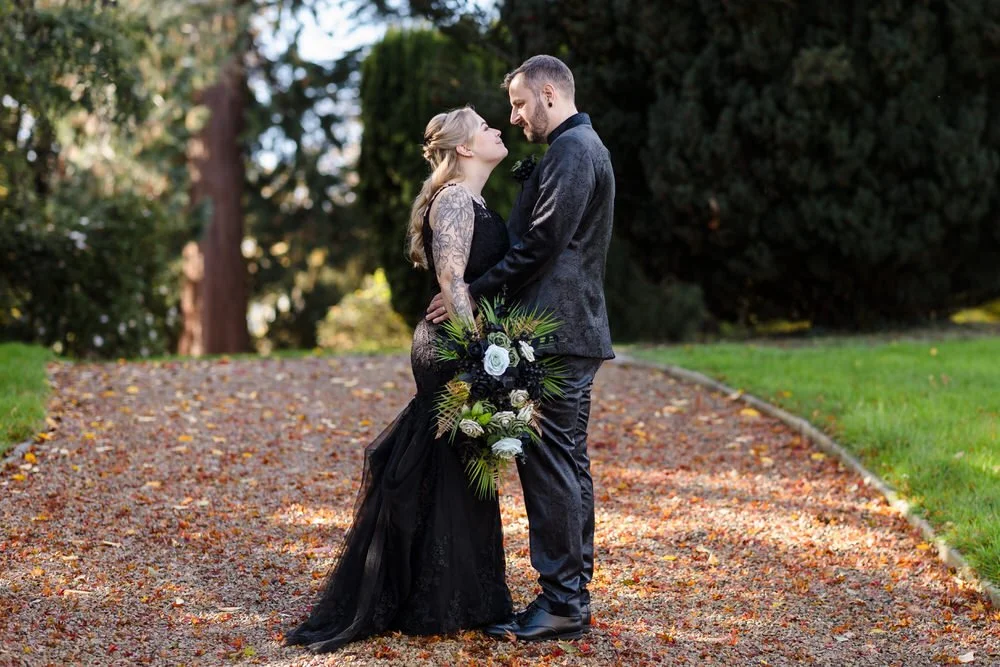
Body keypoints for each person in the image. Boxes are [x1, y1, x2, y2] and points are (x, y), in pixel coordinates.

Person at [285, 106, 514, 653]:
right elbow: (451, 277)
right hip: (454, 345)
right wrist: (483, 350)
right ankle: (435, 598)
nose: (497, 130)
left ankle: (452, 595)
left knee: (457, 463)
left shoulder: (476, 199)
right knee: (449, 458)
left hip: (467, 342)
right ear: (463, 149)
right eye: (485, 127)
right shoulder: (456, 199)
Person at [427, 54, 615, 642]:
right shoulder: (573, 149)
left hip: (559, 331)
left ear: (550, 94)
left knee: (551, 462)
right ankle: (570, 594)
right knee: (566, 460)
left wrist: (469, 290)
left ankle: (562, 600)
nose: (513, 118)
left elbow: (541, 246)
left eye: (519, 103)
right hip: (566, 329)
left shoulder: (573, 151)